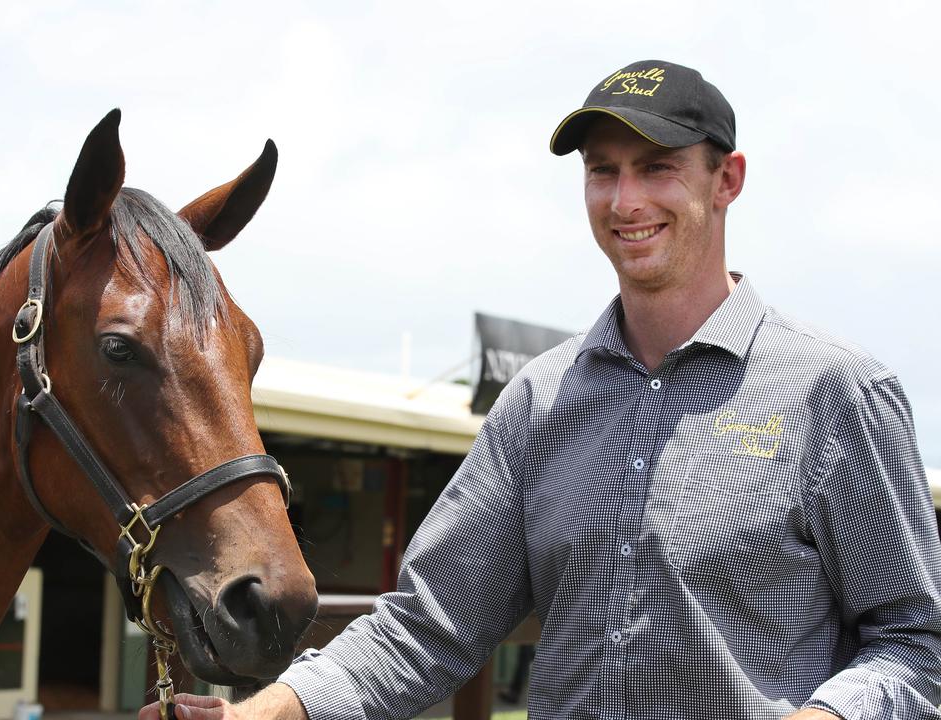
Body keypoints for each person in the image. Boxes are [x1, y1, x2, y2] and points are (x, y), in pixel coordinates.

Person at [141, 60, 941, 720]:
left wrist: (830, 717)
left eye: (657, 169)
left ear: (726, 179)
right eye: (603, 173)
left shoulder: (834, 392)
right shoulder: (539, 404)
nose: (626, 202)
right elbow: (428, 627)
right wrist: (267, 712)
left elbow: (916, 643)